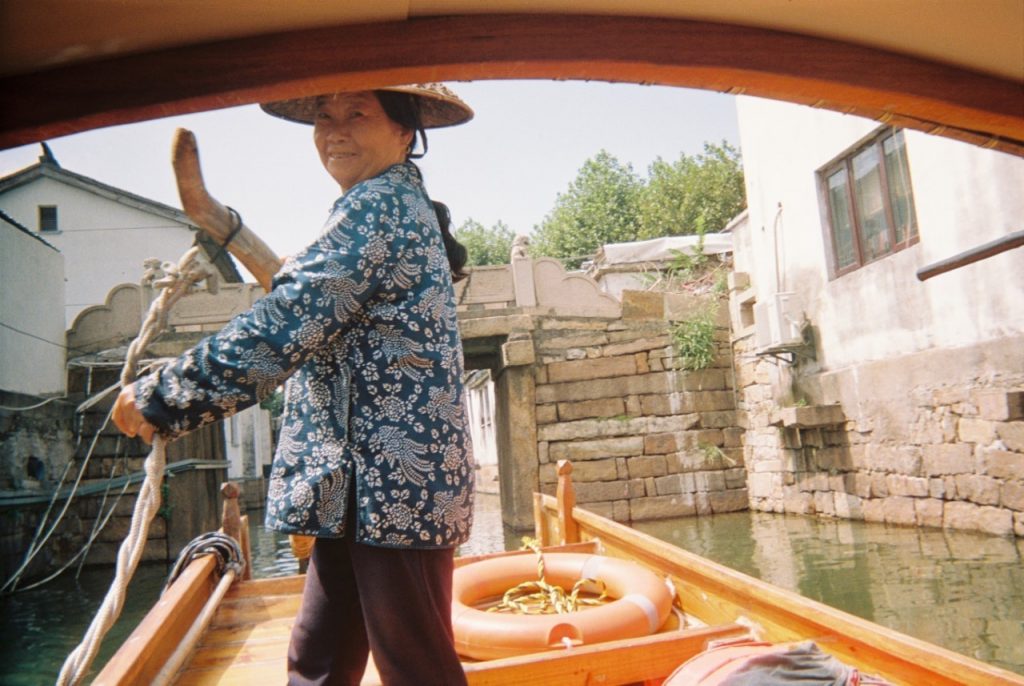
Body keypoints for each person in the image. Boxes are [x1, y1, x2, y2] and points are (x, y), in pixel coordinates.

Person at [112, 83, 476, 685]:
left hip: (390, 485)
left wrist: (164, 396)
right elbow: (311, 301)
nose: (335, 131)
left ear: (405, 133)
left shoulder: (378, 206)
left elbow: (287, 322)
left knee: (416, 670)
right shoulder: (385, 205)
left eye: (357, 114)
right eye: (323, 117)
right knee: (319, 659)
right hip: (357, 489)